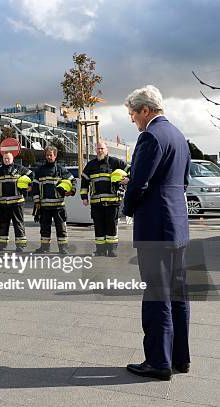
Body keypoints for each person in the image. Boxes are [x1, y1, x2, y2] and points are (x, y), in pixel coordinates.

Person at [123, 85, 191, 381]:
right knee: (178, 293)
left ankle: (158, 362)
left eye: (133, 114)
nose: (132, 120)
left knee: (156, 295)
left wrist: (127, 207)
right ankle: (180, 358)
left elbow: (138, 182)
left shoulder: (150, 136)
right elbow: (184, 182)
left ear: (145, 110)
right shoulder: (178, 135)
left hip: (155, 226)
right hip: (177, 225)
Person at [80, 142, 130, 257]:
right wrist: (84, 197)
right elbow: (84, 182)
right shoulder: (90, 165)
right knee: (99, 226)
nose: (100, 151)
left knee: (111, 226)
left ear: (106, 150)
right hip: (96, 203)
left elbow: (131, 169)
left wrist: (128, 179)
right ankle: (100, 250)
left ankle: (111, 250)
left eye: (102, 148)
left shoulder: (115, 162)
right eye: (98, 149)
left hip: (113, 202)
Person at [31, 145, 75, 254]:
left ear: (55, 156)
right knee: (44, 228)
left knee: (61, 228)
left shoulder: (61, 170)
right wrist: (36, 201)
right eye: (47, 155)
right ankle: (44, 248)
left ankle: (63, 248)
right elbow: (35, 187)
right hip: (44, 206)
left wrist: (71, 191)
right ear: (45, 156)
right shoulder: (40, 170)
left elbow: (73, 180)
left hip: (59, 206)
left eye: (51, 155)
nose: (49, 157)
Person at [0, 152, 33, 251]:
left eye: (8, 158)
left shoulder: (19, 168)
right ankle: (1, 244)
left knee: (18, 223)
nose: (6, 160)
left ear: (12, 159)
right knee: (3, 224)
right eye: (5, 158)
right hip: (3, 204)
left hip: (17, 203)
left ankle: (21, 245)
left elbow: (31, 174)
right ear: (2, 159)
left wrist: (29, 185)